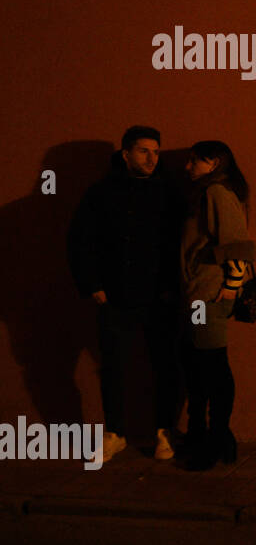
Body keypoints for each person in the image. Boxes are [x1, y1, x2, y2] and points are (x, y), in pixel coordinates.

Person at [67, 126, 186, 462]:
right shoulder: (101, 193)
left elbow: (182, 242)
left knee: (164, 364)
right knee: (113, 366)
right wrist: (94, 286)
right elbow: (80, 240)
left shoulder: (168, 193)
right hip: (115, 295)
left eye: (156, 152)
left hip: (159, 296)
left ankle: (164, 431)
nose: (151, 158)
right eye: (143, 151)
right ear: (125, 154)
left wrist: (173, 288)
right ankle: (115, 432)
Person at [178, 141, 255, 471]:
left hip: (210, 293)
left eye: (194, 161)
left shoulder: (217, 193)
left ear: (214, 163)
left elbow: (236, 242)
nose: (187, 167)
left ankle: (215, 438)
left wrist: (231, 285)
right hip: (200, 291)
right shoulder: (208, 191)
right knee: (199, 365)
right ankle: (204, 436)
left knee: (211, 365)